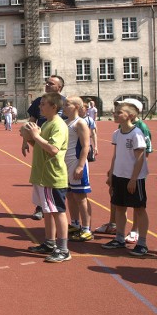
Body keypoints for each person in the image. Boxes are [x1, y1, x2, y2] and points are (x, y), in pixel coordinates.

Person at [22, 92, 71, 263]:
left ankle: (64, 249)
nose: (39, 107)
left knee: (58, 211)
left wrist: (35, 135)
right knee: (47, 211)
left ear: (54, 107)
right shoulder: (47, 123)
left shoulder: (58, 125)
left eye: (43, 104)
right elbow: (39, 146)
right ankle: (50, 242)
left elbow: (54, 150)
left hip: (52, 176)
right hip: (41, 175)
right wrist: (29, 137)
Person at [95, 98, 151, 244]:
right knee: (119, 207)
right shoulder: (117, 133)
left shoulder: (136, 133)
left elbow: (140, 159)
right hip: (119, 176)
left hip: (133, 178)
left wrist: (133, 179)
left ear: (130, 116)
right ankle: (119, 238)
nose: (115, 114)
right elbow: (115, 156)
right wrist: (112, 175)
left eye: (119, 112)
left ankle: (142, 242)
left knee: (139, 208)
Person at [23, 74, 66, 220]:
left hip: (58, 145)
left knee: (55, 180)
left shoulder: (64, 104)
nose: (47, 85)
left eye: (51, 83)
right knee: (43, 178)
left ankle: (58, 211)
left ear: (59, 87)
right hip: (41, 142)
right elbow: (31, 122)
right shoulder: (39, 103)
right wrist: (26, 139)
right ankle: (41, 207)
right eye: (46, 83)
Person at [62, 97, 93, 242]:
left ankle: (86, 228)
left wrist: (80, 165)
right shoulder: (65, 122)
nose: (64, 106)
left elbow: (86, 145)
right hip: (65, 164)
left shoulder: (80, 123)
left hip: (76, 163)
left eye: (67, 104)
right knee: (70, 195)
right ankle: (75, 223)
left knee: (81, 197)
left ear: (76, 106)